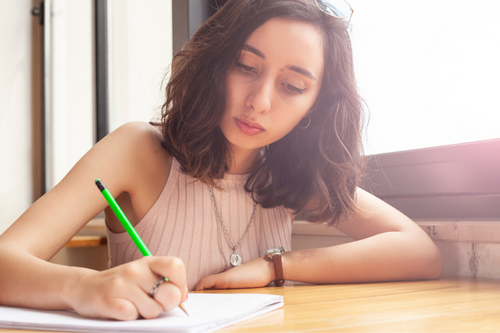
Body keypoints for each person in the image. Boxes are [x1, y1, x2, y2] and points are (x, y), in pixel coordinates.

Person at [0, 0, 442, 321]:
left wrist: (273, 267)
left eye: (291, 86)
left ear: (316, 107)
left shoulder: (289, 174)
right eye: (245, 66)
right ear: (215, 64)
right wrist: (86, 287)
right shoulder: (139, 150)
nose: (260, 101)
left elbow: (419, 252)